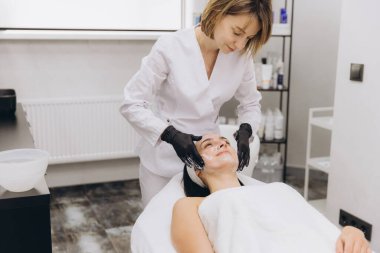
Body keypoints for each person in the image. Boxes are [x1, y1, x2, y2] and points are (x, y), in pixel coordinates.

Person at [120, 0, 271, 207]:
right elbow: (132, 103)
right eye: (237, 32)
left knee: (200, 228)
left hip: (206, 167)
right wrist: (169, 134)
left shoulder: (241, 57)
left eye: (249, 38)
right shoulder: (171, 46)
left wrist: (247, 129)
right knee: (159, 227)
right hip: (163, 159)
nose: (240, 45)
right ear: (218, 12)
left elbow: (251, 104)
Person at [171, 133, 372, 253]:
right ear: (196, 168)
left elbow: (314, 225)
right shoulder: (192, 204)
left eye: (225, 141)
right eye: (208, 145)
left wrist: (351, 232)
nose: (222, 143)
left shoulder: (278, 189)